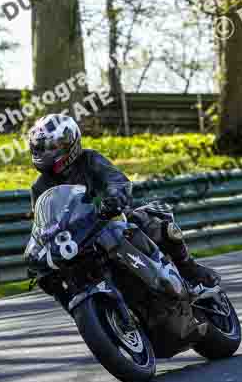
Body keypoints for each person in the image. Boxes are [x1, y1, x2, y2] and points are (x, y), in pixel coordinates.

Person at [27, 113, 220, 308]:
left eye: (52, 147)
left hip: (111, 219)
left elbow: (116, 180)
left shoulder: (90, 159)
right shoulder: (39, 187)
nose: (46, 152)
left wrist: (114, 196)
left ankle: (190, 271)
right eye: (41, 147)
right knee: (51, 276)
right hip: (79, 237)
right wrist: (40, 248)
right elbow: (43, 221)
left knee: (154, 222)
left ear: (69, 142)